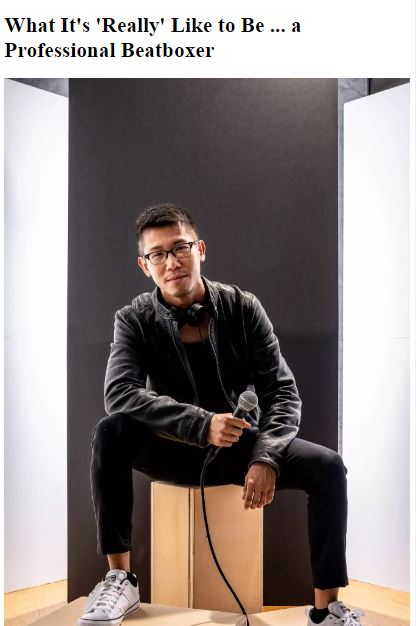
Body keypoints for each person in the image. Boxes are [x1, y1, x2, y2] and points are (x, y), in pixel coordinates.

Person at [78, 203, 364, 626]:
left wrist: (265, 457)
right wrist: (200, 424)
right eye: (158, 254)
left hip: (239, 448)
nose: (172, 262)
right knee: (110, 431)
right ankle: (121, 579)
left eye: (181, 248)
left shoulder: (243, 307)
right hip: (172, 449)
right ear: (144, 265)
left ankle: (327, 611)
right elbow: (119, 393)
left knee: (329, 467)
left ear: (200, 249)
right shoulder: (134, 319)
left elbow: (282, 392)